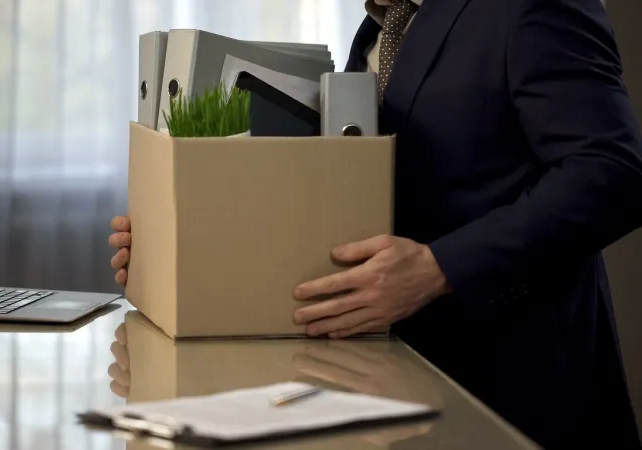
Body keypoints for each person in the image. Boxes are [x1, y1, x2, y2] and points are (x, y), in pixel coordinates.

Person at [110, 0, 642, 448]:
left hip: (518, 387)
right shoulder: (379, 25)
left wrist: (441, 268)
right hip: (392, 384)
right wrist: (178, 241)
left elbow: (613, 175)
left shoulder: (530, 5)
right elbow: (358, 187)